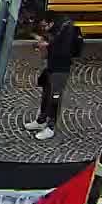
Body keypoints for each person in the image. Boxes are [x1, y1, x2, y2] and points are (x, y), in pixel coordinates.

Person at [27, 11, 82, 141]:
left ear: (50, 22)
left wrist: (46, 45)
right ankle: (41, 120)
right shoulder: (55, 29)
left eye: (44, 26)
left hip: (61, 68)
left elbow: (62, 50)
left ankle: (51, 127)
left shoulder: (65, 30)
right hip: (51, 66)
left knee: (55, 97)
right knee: (46, 94)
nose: (44, 29)